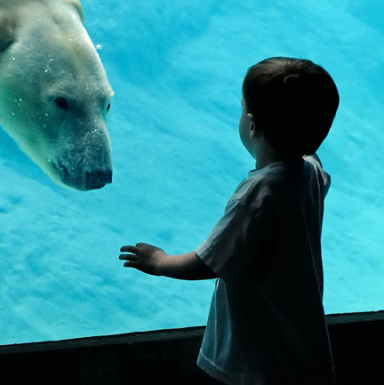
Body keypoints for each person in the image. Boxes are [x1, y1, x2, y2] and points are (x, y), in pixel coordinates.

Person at [119, 57, 339, 384]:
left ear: (251, 125)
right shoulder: (309, 174)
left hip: (255, 360)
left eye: (241, 109)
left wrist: (161, 261)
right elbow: (310, 155)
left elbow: (210, 262)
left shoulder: (257, 196)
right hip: (301, 349)